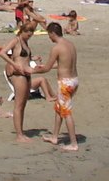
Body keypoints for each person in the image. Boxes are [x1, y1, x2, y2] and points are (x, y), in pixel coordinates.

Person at [32, 21, 80, 151]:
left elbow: (46, 68)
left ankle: (74, 143)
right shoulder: (70, 45)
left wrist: (33, 70)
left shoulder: (57, 48)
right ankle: (55, 137)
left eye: (49, 35)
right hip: (74, 80)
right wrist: (44, 67)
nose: (49, 37)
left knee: (66, 112)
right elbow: (63, 64)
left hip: (66, 83)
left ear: (53, 33)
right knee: (59, 108)